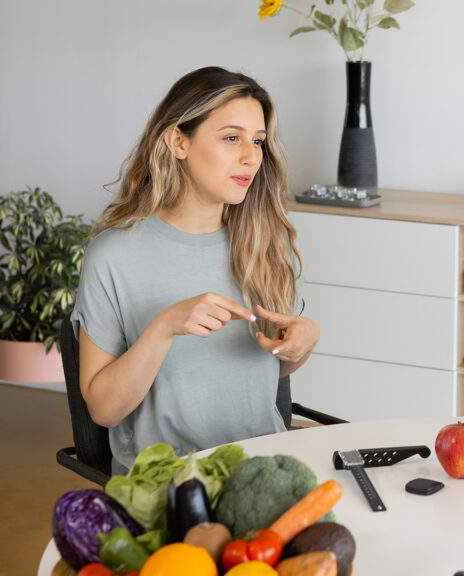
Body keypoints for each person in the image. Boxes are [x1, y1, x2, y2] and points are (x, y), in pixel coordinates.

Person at [71, 66, 319, 474]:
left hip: (262, 469)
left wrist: (301, 344)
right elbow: (103, 410)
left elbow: (271, 367)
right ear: (177, 141)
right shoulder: (114, 255)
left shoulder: (268, 246)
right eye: (231, 138)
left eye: (257, 141)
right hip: (164, 482)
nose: (251, 156)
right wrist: (164, 325)